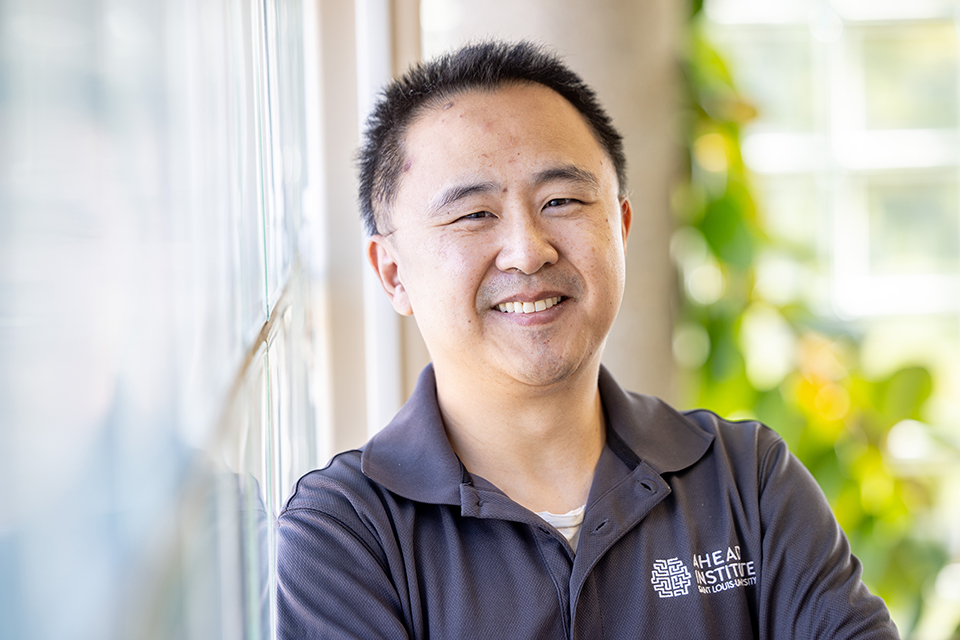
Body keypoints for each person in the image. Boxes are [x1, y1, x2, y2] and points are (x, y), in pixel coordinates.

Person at [277, 40, 899, 639]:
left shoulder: (748, 484)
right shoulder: (344, 537)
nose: (527, 250)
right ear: (393, 272)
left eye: (563, 200)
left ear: (621, 228)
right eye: (474, 214)